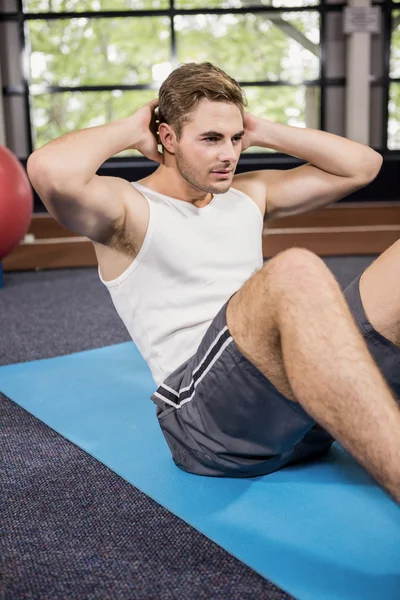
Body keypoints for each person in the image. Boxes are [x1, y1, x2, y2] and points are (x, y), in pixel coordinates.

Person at [27, 62, 400, 504]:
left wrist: (261, 130)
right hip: (204, 423)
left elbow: (363, 166)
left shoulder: (247, 194)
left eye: (235, 139)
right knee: (293, 271)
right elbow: (49, 171)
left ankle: (359, 414)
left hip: (297, 406)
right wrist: (131, 128)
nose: (228, 154)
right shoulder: (128, 209)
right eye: (210, 139)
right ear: (166, 137)